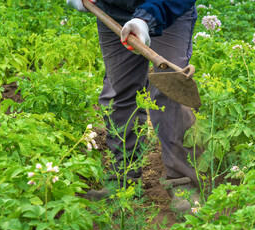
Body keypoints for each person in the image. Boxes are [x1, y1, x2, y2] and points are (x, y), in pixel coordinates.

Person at [67, 0, 201, 212]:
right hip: (113, 10)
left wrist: (147, 18)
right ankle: (122, 178)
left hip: (169, 11)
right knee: (118, 92)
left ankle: (182, 182)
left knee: (170, 92)